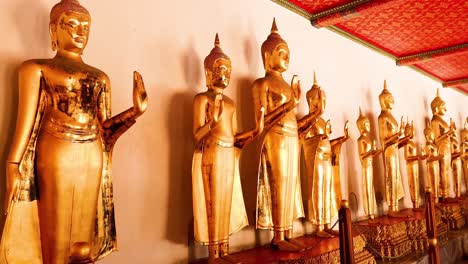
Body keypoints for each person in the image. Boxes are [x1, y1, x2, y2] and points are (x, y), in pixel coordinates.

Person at [1, 1, 147, 263]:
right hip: (56, 152)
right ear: (53, 30)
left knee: (83, 236)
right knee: (55, 232)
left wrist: (135, 112)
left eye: (86, 27)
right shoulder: (36, 69)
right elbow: (26, 121)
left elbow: (106, 134)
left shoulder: (100, 77)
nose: (80, 32)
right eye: (72, 25)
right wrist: (12, 164)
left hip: (92, 154)